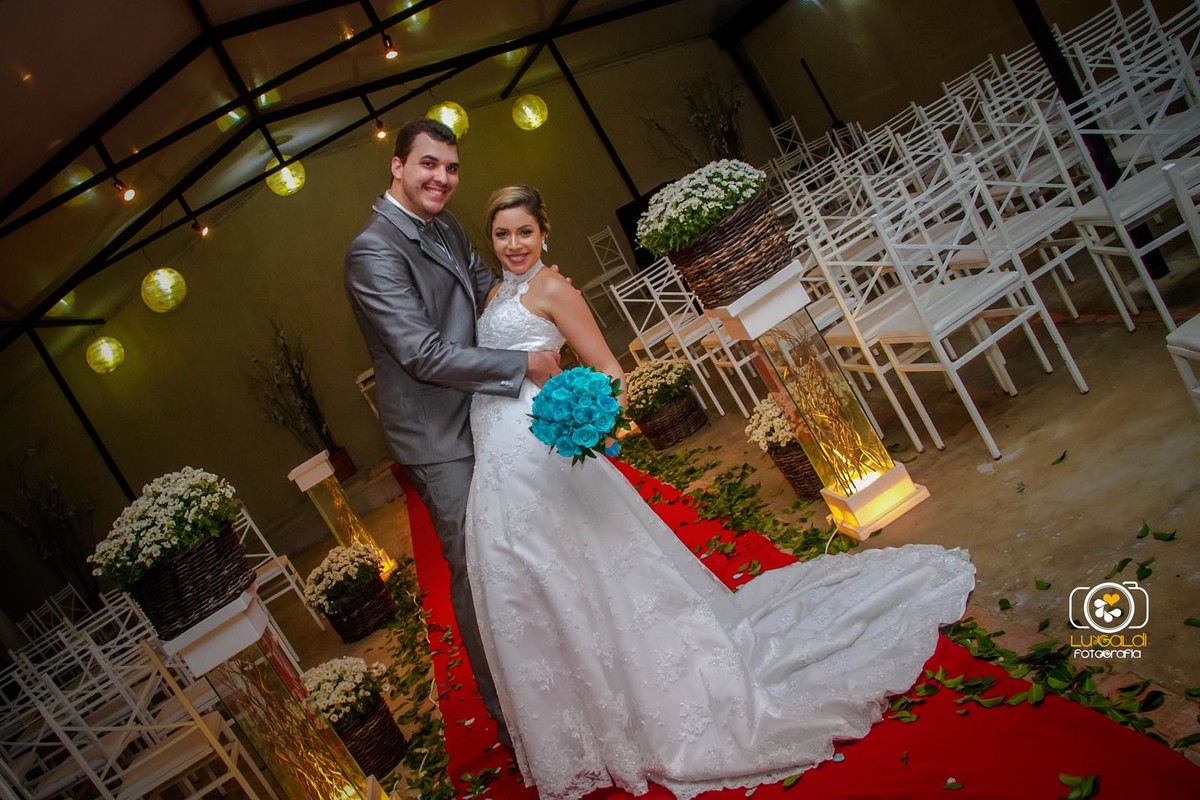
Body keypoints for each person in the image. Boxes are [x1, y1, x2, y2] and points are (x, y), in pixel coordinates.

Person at [464, 185, 977, 800]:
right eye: (502, 234)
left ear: (544, 232)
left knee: (594, 573)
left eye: (525, 231)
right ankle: (591, 709)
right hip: (497, 457)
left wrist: (584, 418)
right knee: (546, 583)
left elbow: (608, 372)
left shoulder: (555, 288)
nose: (514, 244)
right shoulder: (495, 293)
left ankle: (656, 688)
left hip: (546, 450)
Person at [343, 120, 561, 735]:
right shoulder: (372, 250)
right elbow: (422, 354)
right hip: (438, 436)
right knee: (477, 567)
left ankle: (551, 673)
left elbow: (487, 287)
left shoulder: (445, 225)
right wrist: (524, 362)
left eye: (452, 167)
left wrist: (539, 296)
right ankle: (513, 716)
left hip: (487, 411)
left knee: (523, 543)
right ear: (397, 166)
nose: (442, 177)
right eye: (429, 165)